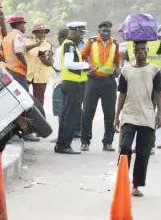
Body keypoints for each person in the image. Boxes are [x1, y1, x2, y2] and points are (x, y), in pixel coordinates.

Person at [114, 41, 161, 197]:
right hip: (129, 114)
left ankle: (136, 185)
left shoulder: (154, 70)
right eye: (137, 49)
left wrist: (160, 113)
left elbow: (159, 94)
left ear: (147, 50)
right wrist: (117, 116)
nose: (140, 51)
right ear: (133, 51)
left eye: (143, 49)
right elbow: (122, 94)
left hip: (147, 115)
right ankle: (122, 181)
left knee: (143, 153)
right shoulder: (126, 70)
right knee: (125, 148)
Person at [0, 16, 40, 142]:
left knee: (14, 101)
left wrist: (5, 60)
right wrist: (25, 63)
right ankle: (26, 132)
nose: (25, 27)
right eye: (24, 24)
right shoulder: (18, 36)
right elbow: (18, 50)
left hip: (9, 71)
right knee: (23, 102)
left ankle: (16, 131)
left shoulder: (7, 38)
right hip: (18, 72)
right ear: (18, 25)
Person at [124, 38, 161, 155]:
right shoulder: (130, 43)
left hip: (151, 82)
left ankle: (150, 145)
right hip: (134, 81)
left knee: (149, 114)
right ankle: (139, 144)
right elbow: (126, 60)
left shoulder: (156, 42)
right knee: (134, 114)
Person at [79, 21, 121, 152]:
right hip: (93, 80)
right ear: (99, 31)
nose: (106, 33)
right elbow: (81, 57)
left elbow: (118, 60)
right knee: (87, 112)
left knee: (109, 113)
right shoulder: (91, 42)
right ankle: (85, 142)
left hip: (109, 82)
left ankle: (108, 142)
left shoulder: (114, 43)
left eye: (108, 31)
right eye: (103, 31)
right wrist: (87, 67)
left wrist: (118, 69)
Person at [54, 21, 96, 154]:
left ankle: (61, 144)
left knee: (67, 115)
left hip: (72, 83)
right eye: (81, 33)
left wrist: (85, 68)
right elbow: (69, 64)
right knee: (71, 116)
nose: (82, 36)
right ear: (75, 31)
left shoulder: (70, 45)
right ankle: (65, 145)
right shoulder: (70, 45)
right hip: (73, 84)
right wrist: (86, 66)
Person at [25, 22, 54, 106]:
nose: (42, 34)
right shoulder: (27, 41)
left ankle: (38, 117)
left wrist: (44, 59)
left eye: (44, 32)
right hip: (28, 74)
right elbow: (22, 50)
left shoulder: (49, 45)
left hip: (41, 76)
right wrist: (35, 45)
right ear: (34, 33)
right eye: (39, 32)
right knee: (23, 97)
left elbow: (50, 63)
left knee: (39, 101)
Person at [49, 28, 69, 143]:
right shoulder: (72, 48)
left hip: (59, 83)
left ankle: (61, 136)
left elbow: (57, 68)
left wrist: (50, 59)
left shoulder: (60, 49)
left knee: (60, 112)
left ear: (62, 37)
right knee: (66, 111)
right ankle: (66, 135)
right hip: (69, 83)